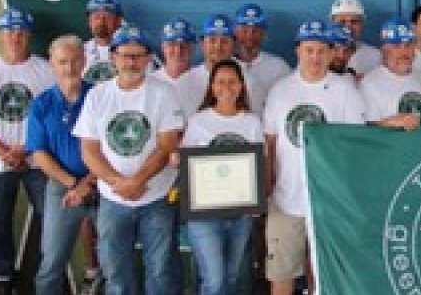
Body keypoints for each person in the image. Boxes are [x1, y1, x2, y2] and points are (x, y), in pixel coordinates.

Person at [73, 23, 185, 295]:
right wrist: (118, 183)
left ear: (148, 58)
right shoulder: (97, 96)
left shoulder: (164, 93)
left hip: (156, 197)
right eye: (125, 55)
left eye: (137, 55)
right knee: (116, 273)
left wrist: (138, 180)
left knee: (160, 271)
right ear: (113, 57)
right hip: (112, 200)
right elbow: (89, 150)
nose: (131, 62)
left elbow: (168, 143)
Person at [262, 20, 366, 295]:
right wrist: (266, 186)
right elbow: (271, 144)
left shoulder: (345, 90)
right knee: (281, 275)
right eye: (309, 50)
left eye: (322, 50)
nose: (315, 57)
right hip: (286, 200)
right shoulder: (280, 90)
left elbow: (354, 145)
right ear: (297, 51)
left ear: (332, 53)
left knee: (320, 277)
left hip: (328, 201)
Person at [0, 8, 55, 294]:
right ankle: (4, 277)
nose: (15, 36)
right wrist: (3, 151)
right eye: (9, 30)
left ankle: (47, 276)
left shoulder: (46, 70)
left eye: (20, 30)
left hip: (38, 160)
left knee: (50, 219)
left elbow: (51, 117)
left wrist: (27, 148)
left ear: (29, 34)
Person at [181, 59, 264, 295]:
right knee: (215, 280)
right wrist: (178, 159)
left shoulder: (252, 122)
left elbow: (261, 164)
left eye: (232, 82)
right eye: (220, 82)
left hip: (241, 213)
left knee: (233, 275)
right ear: (211, 86)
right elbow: (186, 167)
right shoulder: (198, 122)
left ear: (241, 86)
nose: (226, 87)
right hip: (205, 215)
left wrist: (257, 199)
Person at [25, 35, 98, 295]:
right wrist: (73, 185)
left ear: (84, 61)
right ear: (52, 64)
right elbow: (39, 153)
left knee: (114, 264)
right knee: (51, 264)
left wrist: (88, 183)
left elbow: (111, 149)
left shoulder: (99, 97)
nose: (69, 68)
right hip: (61, 190)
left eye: (75, 60)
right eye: (62, 62)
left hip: (102, 187)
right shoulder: (41, 104)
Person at [360, 17, 421, 129]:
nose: (404, 52)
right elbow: (365, 129)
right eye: (396, 46)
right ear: (384, 50)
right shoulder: (368, 84)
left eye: (408, 45)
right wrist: (389, 123)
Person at [181, 14, 266, 114]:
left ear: (234, 44)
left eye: (224, 41)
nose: (218, 47)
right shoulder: (185, 82)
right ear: (202, 43)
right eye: (212, 41)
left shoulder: (251, 83)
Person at [233, 3, 291, 90]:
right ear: (235, 31)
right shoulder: (222, 65)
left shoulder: (279, 67)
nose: (250, 35)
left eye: (255, 30)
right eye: (244, 30)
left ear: (263, 34)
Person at [329, 0, 381, 76]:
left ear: (362, 24)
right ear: (332, 22)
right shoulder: (321, 52)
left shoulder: (375, 56)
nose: (348, 26)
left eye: (354, 21)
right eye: (342, 21)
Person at [151, 17, 199, 101]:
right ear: (163, 47)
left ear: (193, 47)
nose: (178, 51)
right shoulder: (150, 82)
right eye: (172, 44)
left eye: (184, 45)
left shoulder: (205, 81)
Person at [83, 0, 124, 84]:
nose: (101, 22)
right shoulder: (79, 52)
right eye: (96, 17)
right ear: (89, 21)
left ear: (119, 21)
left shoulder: (131, 52)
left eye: (107, 17)